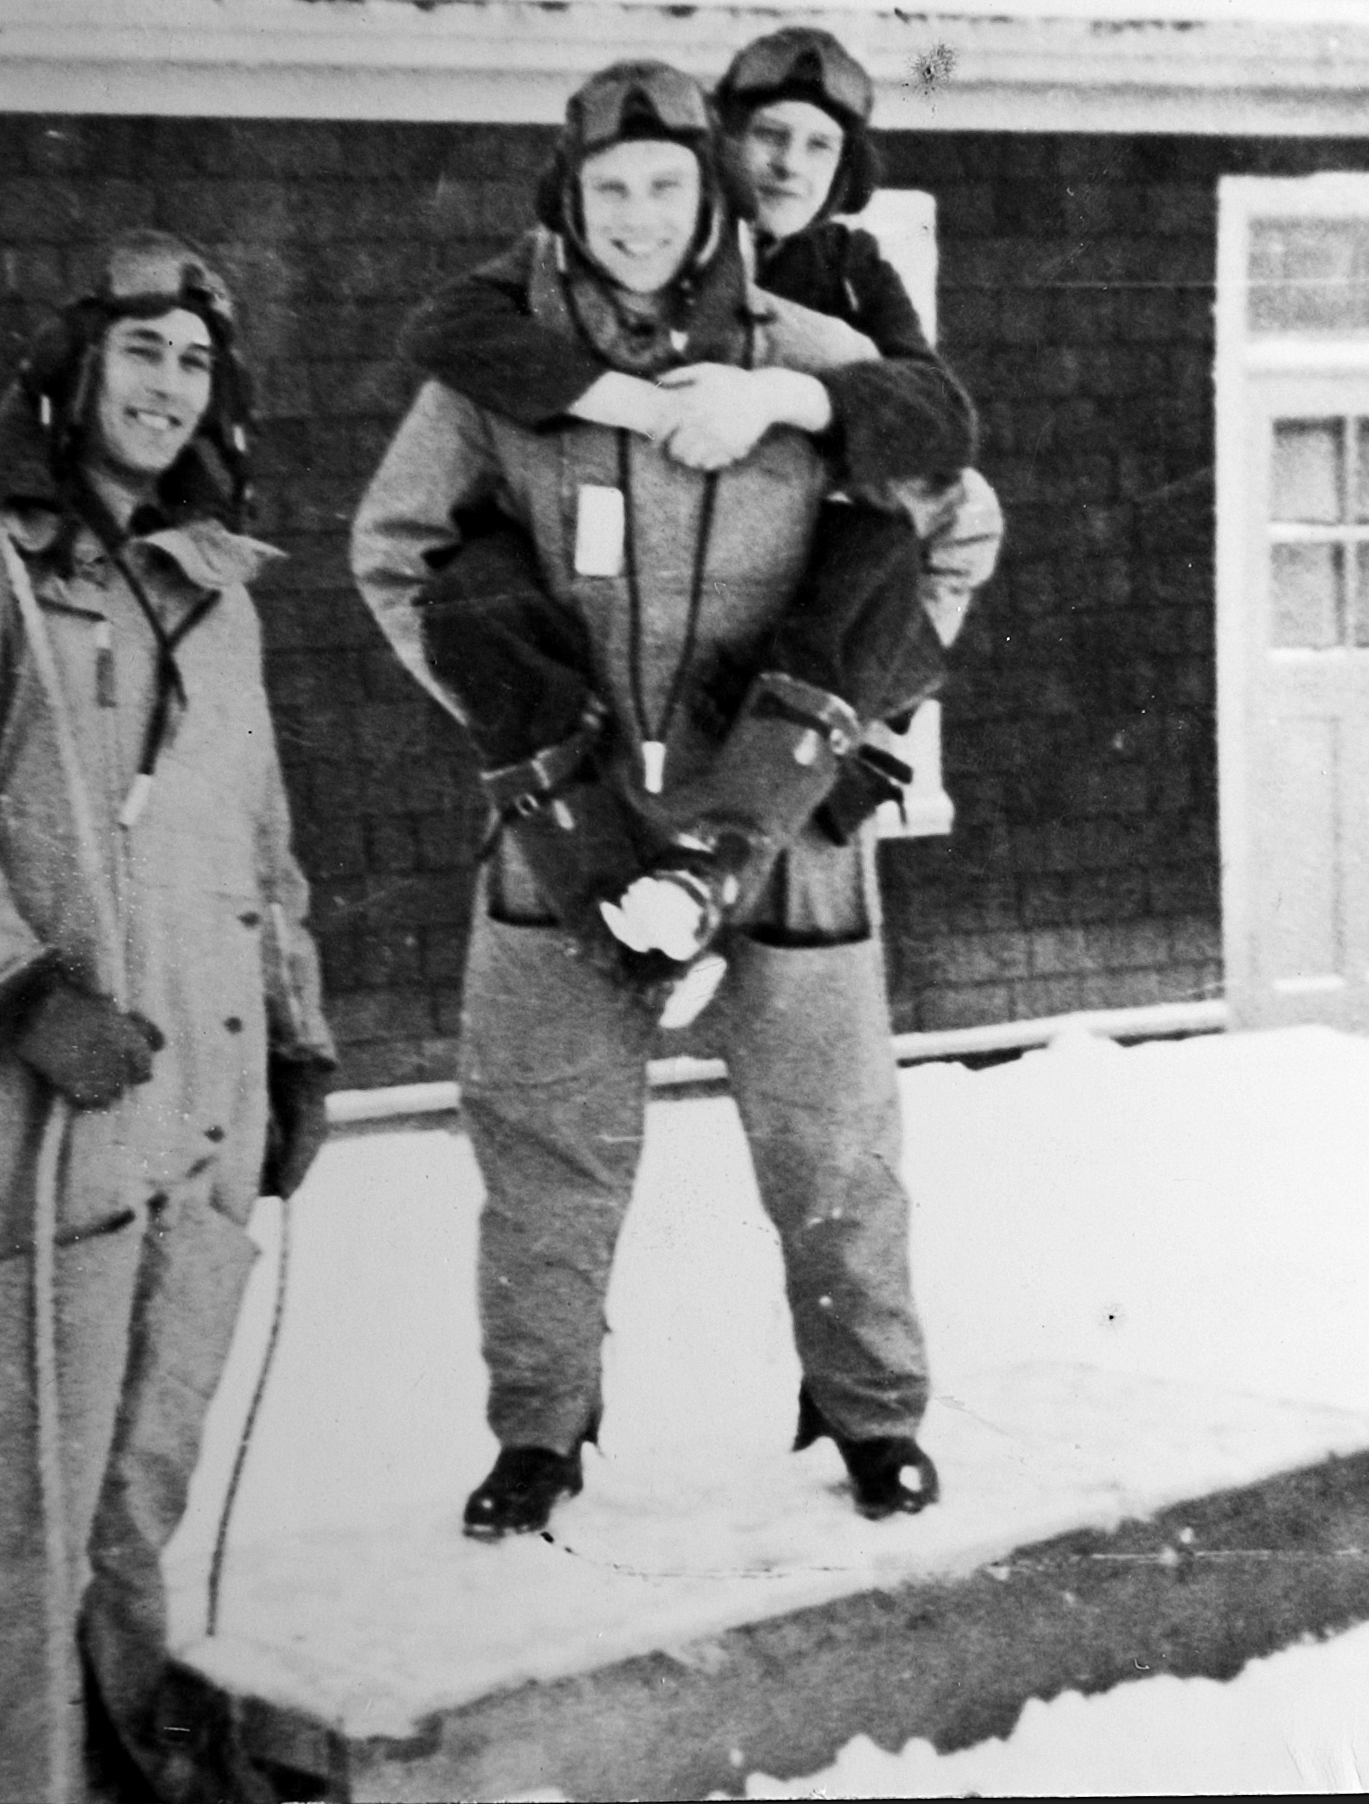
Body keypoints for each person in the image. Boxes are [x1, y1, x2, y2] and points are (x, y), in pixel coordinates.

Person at [352, 61, 939, 1540]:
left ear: (711, 194)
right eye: (607, 188)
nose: (636, 215)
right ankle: (539, 1434)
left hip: (781, 829)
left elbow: (951, 527)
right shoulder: (502, 378)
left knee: (833, 1147)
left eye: (666, 184)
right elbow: (397, 548)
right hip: (573, 824)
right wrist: (514, 721)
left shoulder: (811, 356)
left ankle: (874, 1415)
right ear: (569, 199)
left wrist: (859, 722)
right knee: (544, 1150)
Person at [0, 230, 335, 1804]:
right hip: (31, 1110)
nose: (168, 388)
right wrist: (24, 993)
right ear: (70, 368)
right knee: (7, 1521)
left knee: (135, 1492)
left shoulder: (215, 597)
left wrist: (295, 1038)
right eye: (141, 352)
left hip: (196, 1108)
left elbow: (260, 847)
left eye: (196, 363)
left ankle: (120, 1770)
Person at [397, 26, 1002, 982]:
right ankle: (628, 920)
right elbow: (451, 328)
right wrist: (623, 401)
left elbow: (940, 431)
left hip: (798, 687)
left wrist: (782, 397)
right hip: (615, 716)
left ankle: (723, 848)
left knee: (877, 546)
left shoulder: (845, 280)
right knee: (483, 579)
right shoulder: (574, 275)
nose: (788, 165)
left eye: (819, 144)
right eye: (769, 135)